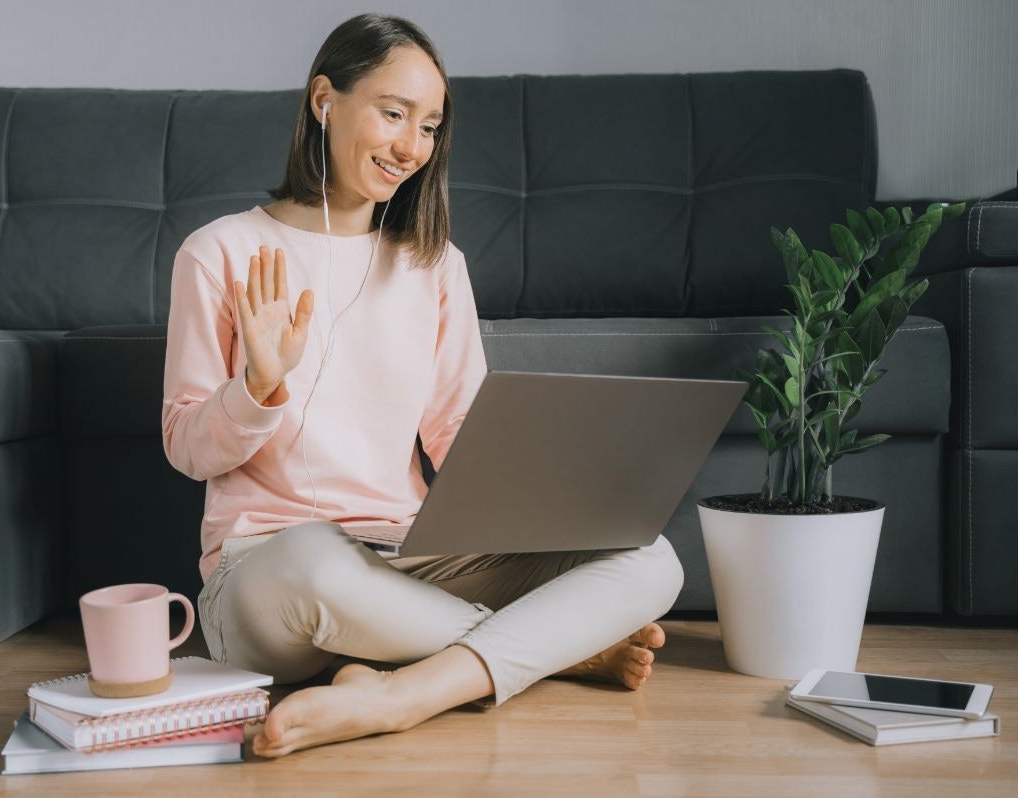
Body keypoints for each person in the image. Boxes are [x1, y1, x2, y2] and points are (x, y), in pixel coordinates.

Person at [161, 13, 685, 759]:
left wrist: (564, 493)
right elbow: (186, 446)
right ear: (323, 100)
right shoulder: (218, 252)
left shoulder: (435, 265)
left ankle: (403, 694)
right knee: (312, 561)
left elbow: (460, 434)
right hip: (272, 574)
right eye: (393, 113)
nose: (412, 146)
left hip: (413, 557)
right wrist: (258, 385)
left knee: (653, 556)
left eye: (430, 126)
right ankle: (554, 652)